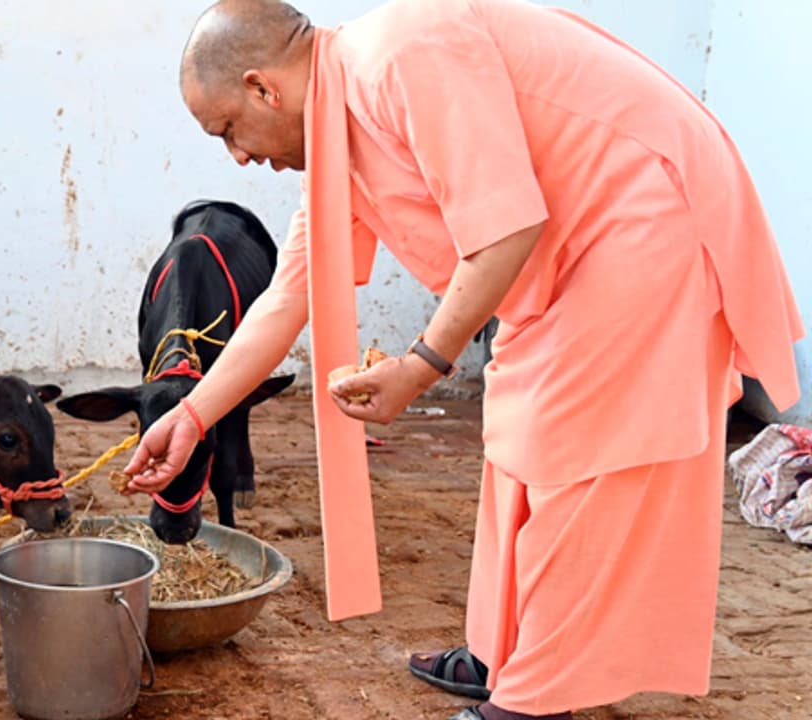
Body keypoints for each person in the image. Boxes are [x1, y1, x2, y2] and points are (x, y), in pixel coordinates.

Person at [120, 1, 805, 719]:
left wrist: (420, 365)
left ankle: (532, 702)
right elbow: (291, 296)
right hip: (580, 247)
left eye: (227, 129)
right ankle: (503, 652)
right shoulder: (338, 134)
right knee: (517, 434)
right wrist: (195, 416)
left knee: (579, 455)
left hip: (647, 220)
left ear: (265, 88)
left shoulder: (402, 55)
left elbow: (508, 227)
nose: (237, 155)